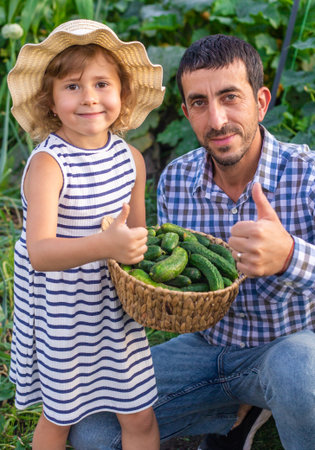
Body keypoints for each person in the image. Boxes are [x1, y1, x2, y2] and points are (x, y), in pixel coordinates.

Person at [69, 35, 315, 450]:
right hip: (205, 350)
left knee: (301, 372)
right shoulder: (177, 180)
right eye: (199, 102)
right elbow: (170, 278)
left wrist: (291, 255)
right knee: (92, 431)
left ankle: (270, 403)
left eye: (230, 97)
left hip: (286, 352)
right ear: (186, 112)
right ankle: (230, 412)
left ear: (261, 101)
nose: (216, 119)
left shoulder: (306, 175)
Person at [8, 19, 165, 450]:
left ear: (123, 94)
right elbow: (40, 252)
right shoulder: (48, 164)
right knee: (60, 417)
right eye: (72, 86)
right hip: (64, 315)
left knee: (139, 412)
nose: (90, 97)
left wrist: (142, 258)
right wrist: (106, 245)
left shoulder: (131, 159)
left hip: (116, 310)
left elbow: (134, 234)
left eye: (102, 84)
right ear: (51, 101)